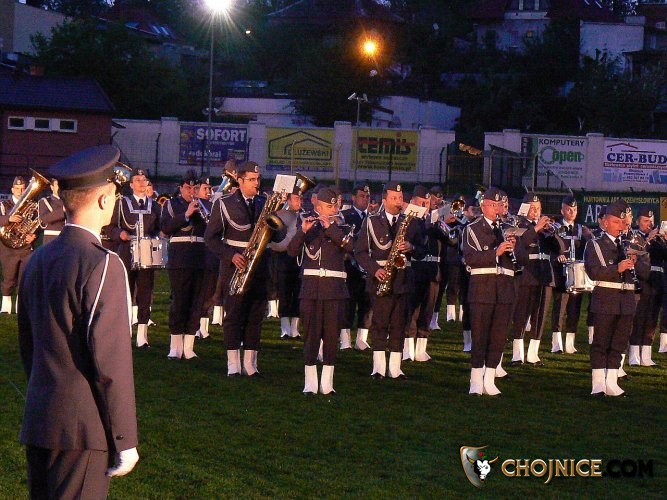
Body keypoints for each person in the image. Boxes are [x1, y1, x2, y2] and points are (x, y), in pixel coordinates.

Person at [17, 145, 138, 498]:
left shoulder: (37, 259)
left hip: (41, 419)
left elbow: (28, 344)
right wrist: (125, 439)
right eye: (114, 195)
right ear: (103, 200)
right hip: (83, 428)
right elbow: (110, 360)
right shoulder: (103, 262)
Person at [204, 161, 282, 376]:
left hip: (260, 265)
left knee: (255, 316)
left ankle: (250, 364)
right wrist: (231, 255)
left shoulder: (264, 202)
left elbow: (278, 236)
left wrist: (278, 217)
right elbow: (210, 238)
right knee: (234, 315)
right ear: (239, 180)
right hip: (235, 266)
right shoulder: (224, 203)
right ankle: (233, 364)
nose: (257, 183)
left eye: (258, 179)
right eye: (252, 179)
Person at [354, 181, 425, 380]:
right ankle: (378, 367)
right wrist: (374, 270)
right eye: (394, 198)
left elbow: (422, 250)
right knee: (380, 323)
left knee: (399, 324)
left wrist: (411, 247)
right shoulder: (371, 221)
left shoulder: (411, 221)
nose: (398, 202)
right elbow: (360, 252)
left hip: (403, 280)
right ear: (384, 200)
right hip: (381, 278)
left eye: (400, 198)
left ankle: (395, 368)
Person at [462, 187, 527, 396]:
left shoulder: (507, 228)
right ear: (484, 206)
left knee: (498, 336)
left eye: (500, 205)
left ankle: (489, 379)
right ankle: (475, 380)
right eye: (494, 205)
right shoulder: (472, 229)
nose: (498, 209)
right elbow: (470, 258)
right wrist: (495, 252)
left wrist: (515, 247)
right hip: (483, 289)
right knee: (480, 336)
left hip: (505, 289)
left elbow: (522, 262)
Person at [287, 187, 353, 394]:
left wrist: (331, 227)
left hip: (334, 290)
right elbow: (292, 251)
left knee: (331, 336)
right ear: (319, 206)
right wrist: (303, 231)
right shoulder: (307, 224)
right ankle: (310, 383)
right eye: (329, 207)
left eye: (335, 206)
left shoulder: (343, 226)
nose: (333, 210)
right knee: (311, 336)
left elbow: (350, 247)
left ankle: (327, 383)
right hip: (311, 290)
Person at [584, 199, 650, 397]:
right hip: (605, 299)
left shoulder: (634, 243)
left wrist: (637, 261)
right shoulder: (595, 244)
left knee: (619, 342)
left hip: (627, 300)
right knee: (601, 342)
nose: (621, 226)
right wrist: (617, 268)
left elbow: (645, 273)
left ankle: (612, 381)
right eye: (616, 222)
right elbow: (594, 272)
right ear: (605, 222)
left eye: (623, 222)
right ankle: (598, 383)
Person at [108, 169, 160, 348]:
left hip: (147, 255)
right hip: (126, 253)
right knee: (125, 293)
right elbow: (110, 227)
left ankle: (142, 337)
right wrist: (119, 233)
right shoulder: (122, 204)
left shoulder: (155, 205)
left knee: (145, 295)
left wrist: (157, 237)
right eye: (137, 180)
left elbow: (159, 228)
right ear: (131, 185)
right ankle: (125, 333)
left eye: (144, 180)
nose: (141, 183)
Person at [161, 170, 208, 360]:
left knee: (196, 303)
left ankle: (189, 346)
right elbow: (166, 228)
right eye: (188, 188)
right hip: (179, 259)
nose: (191, 191)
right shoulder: (172, 204)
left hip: (200, 258)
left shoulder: (205, 204)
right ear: (181, 188)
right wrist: (186, 214)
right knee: (179, 302)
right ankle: (175, 346)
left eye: (195, 188)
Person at [404, 185, 446, 362]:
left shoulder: (433, 221)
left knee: (427, 311)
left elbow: (451, 240)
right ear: (412, 202)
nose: (425, 206)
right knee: (411, 311)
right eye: (421, 202)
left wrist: (440, 225)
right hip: (415, 269)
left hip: (432, 271)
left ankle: (421, 349)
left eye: (427, 203)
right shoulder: (408, 220)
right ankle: (408, 349)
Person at [549, 195, 593, 354]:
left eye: (574, 209)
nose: (572, 212)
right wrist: (556, 256)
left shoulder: (582, 229)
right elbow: (549, 247)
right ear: (562, 210)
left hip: (577, 276)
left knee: (574, 310)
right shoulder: (554, 228)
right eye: (568, 209)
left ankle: (570, 343)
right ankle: (556, 343)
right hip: (560, 274)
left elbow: (592, 245)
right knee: (559, 309)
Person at [627, 206, 666, 367]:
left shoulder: (659, 239)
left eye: (651, 221)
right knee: (638, 318)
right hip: (641, 280)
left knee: (652, 319)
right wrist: (648, 239)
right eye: (645, 221)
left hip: (656, 281)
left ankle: (646, 355)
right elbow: (635, 252)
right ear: (638, 222)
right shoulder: (634, 237)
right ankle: (634, 355)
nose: (649, 224)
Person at [340, 184, 372, 350]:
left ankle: (361, 339)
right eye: (361, 196)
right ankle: (345, 340)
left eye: (367, 196)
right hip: (350, 267)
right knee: (348, 304)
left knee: (367, 304)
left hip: (368, 267)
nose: (365, 199)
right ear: (353, 198)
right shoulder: (345, 216)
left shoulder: (374, 217)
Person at [0, 176, 37, 313]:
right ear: (12, 189)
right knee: (8, 279)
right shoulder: (3, 205)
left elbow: (37, 223)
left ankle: (20, 307)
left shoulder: (32, 205)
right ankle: (6, 308)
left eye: (23, 189)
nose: (20, 191)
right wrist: (8, 218)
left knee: (24, 279)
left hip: (25, 248)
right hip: (8, 248)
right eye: (17, 188)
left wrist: (33, 235)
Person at [37, 178, 66, 245]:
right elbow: (44, 219)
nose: (60, 187)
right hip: (51, 239)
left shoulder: (67, 201)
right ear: (52, 187)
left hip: (67, 239)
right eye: (57, 185)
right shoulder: (44, 201)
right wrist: (62, 210)